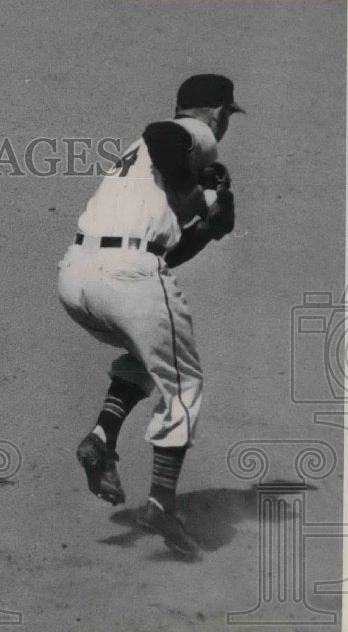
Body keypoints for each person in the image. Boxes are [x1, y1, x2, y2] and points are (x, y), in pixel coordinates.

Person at [57, 74, 244, 560]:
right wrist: (192, 197)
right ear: (217, 111)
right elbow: (166, 135)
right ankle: (161, 502)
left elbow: (166, 255)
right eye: (226, 115)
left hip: (78, 279)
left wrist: (207, 227)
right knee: (184, 382)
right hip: (126, 277)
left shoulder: (139, 165)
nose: (225, 127)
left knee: (149, 352)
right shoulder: (187, 133)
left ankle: (102, 438)